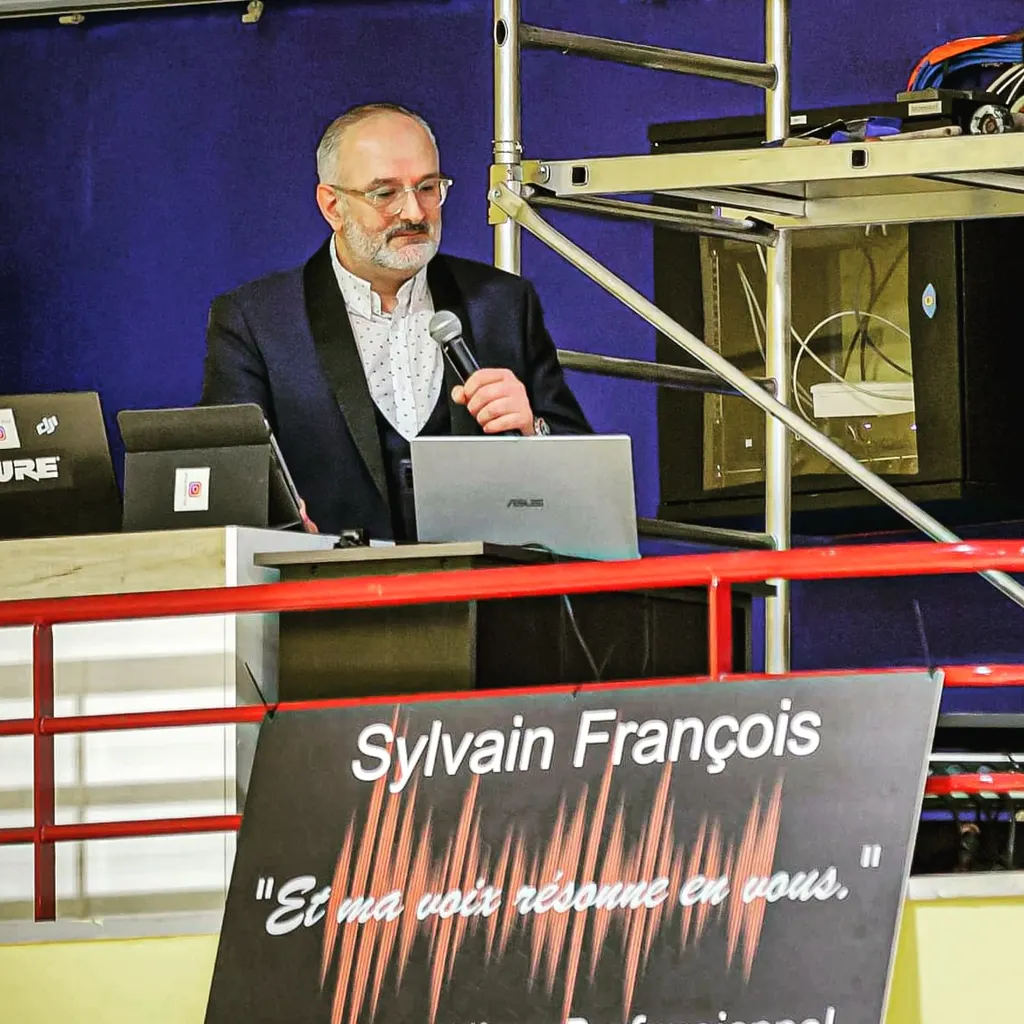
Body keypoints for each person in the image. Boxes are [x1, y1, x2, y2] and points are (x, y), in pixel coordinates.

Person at [201, 102, 591, 538]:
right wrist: (275, 520)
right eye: (385, 193)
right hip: (328, 578)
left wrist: (534, 430)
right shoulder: (257, 322)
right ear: (332, 206)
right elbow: (230, 482)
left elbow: (588, 486)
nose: (414, 213)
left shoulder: (503, 304)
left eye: (427, 187)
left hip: (484, 578)